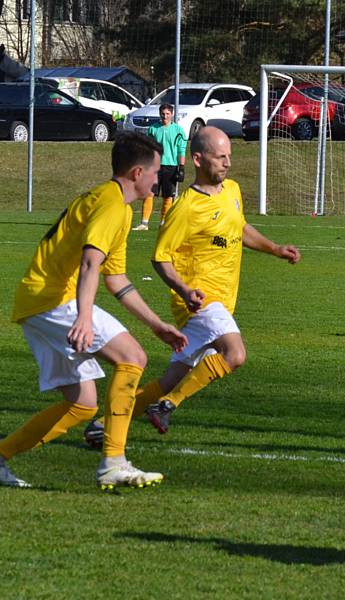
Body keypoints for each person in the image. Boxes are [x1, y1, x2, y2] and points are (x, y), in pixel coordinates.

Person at [84, 126, 300, 445]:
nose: (227, 162)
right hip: (199, 300)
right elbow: (160, 257)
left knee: (173, 378)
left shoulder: (232, 190)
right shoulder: (185, 207)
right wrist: (185, 291)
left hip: (223, 301)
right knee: (234, 354)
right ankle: (168, 405)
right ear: (198, 159)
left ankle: (103, 425)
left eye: (229, 156)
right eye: (220, 156)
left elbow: (240, 228)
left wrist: (275, 249)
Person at [0, 132, 188, 490]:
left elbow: (115, 279)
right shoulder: (112, 205)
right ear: (137, 173)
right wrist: (84, 318)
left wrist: (155, 324)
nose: (157, 179)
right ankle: (114, 462)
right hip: (53, 299)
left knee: (83, 405)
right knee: (132, 357)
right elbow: (90, 264)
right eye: (154, 172)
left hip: (39, 300)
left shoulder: (113, 202)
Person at [133, 103, 187, 231]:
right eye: (163, 114)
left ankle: (163, 223)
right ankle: (144, 223)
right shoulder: (153, 129)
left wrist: (182, 168)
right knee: (149, 193)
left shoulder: (179, 131)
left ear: (172, 114)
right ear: (159, 114)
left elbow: (181, 150)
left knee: (168, 196)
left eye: (168, 114)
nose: (165, 116)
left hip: (171, 166)